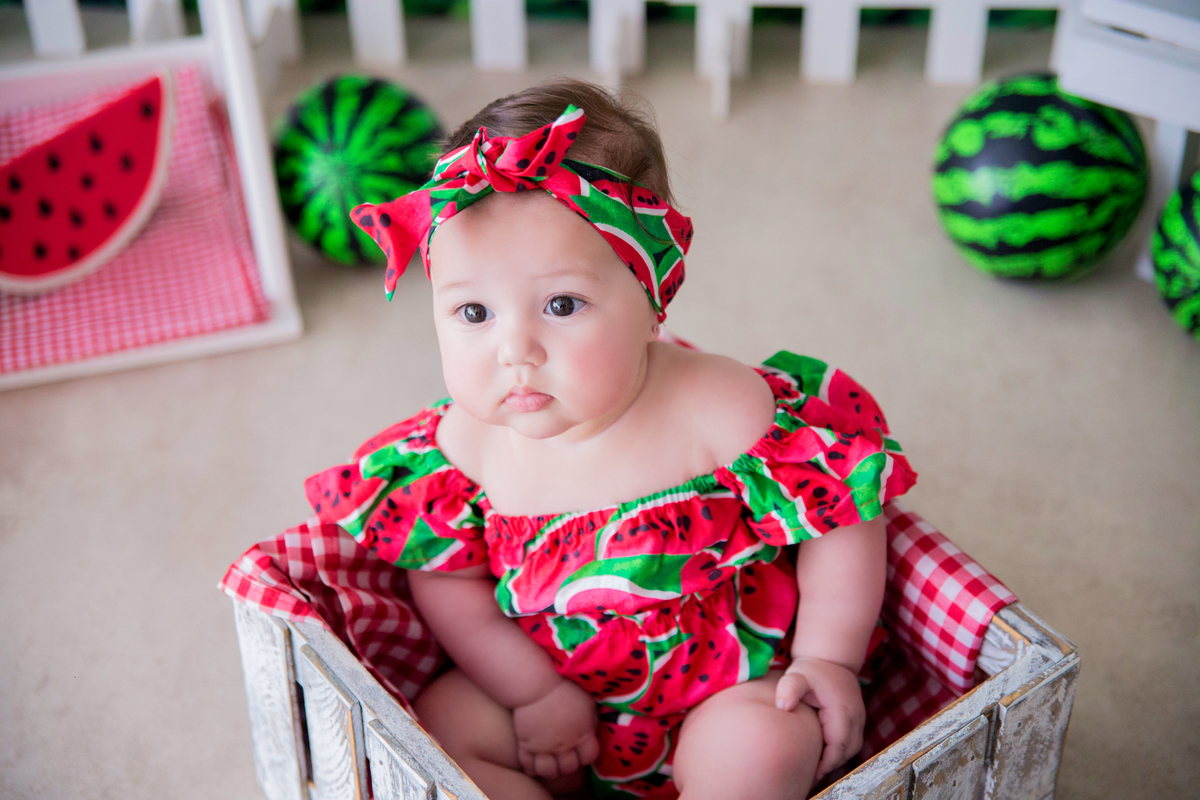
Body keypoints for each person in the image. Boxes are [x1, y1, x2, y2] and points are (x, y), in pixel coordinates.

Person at [306, 79, 916, 800]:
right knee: (440, 728)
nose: (516, 350)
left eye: (562, 304)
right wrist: (532, 692)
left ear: (652, 301)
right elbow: (446, 581)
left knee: (766, 744)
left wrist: (828, 656)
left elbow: (841, 513)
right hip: (547, 688)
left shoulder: (719, 407)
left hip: (728, 684)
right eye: (473, 312)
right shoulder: (464, 447)